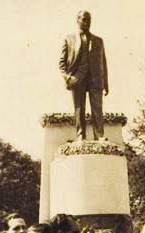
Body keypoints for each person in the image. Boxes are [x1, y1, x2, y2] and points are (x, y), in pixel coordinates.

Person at [59, 10, 109, 140]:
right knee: (79, 108)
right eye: (84, 19)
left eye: (89, 20)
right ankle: (81, 135)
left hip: (95, 79)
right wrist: (68, 78)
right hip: (77, 78)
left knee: (97, 109)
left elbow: (103, 62)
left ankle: (99, 136)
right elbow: (62, 63)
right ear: (78, 20)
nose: (87, 22)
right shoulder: (69, 39)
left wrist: (105, 83)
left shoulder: (98, 40)